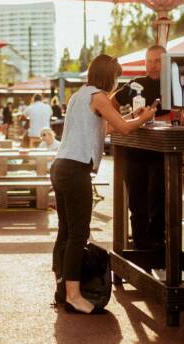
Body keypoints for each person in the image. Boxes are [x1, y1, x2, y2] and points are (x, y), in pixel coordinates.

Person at [52, 55, 155, 314]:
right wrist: (145, 117)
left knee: (65, 231)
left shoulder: (79, 96)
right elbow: (122, 128)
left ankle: (62, 289)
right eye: (116, 76)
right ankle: (75, 296)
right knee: (78, 233)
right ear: (108, 76)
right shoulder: (98, 96)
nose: (117, 81)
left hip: (61, 166)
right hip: (76, 169)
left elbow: (102, 128)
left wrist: (133, 114)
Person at [114, 45, 184, 250]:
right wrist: (117, 122)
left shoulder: (177, 85)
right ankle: (140, 245)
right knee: (137, 199)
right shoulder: (136, 84)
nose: (152, 66)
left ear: (167, 62)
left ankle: (159, 244)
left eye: (157, 61)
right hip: (136, 149)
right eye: (149, 61)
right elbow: (112, 102)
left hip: (164, 153)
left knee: (159, 198)